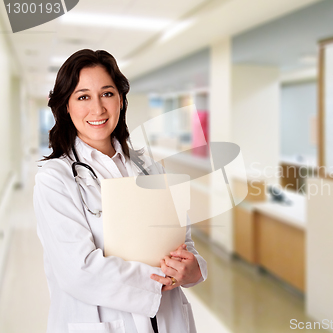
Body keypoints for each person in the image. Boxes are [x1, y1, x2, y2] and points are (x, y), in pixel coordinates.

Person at [33, 49, 207, 333]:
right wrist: (162, 277)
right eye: (83, 96)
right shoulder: (55, 178)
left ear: (121, 100)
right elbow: (78, 271)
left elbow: (183, 243)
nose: (98, 109)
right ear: (66, 106)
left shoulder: (150, 168)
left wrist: (193, 268)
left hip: (168, 319)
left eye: (107, 93)